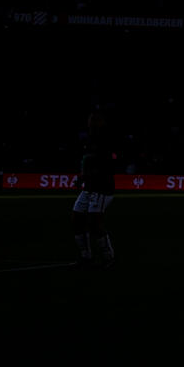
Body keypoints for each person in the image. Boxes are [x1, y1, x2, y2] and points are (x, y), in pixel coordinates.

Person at [72, 111, 117, 268]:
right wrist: (82, 177)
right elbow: (85, 161)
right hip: (89, 187)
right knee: (77, 218)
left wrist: (87, 176)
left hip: (102, 189)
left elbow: (106, 165)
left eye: (94, 121)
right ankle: (86, 256)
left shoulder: (105, 141)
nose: (91, 124)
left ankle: (108, 257)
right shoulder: (88, 141)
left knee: (94, 222)